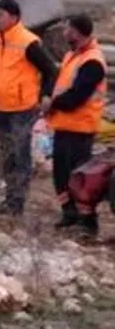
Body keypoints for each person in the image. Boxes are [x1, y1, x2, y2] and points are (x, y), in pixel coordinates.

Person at [0, 0, 58, 216]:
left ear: (14, 17)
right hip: (2, 106)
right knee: (7, 154)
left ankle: (17, 202)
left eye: (0, 15)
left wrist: (46, 94)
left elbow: (50, 69)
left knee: (21, 155)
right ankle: (9, 198)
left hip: (22, 108)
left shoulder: (28, 42)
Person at [45, 14, 108, 236]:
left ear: (76, 32)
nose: (63, 33)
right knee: (61, 175)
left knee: (81, 178)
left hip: (80, 127)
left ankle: (87, 221)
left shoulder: (92, 61)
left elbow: (76, 97)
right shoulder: (72, 56)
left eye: (67, 29)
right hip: (65, 125)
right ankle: (69, 213)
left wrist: (51, 103)